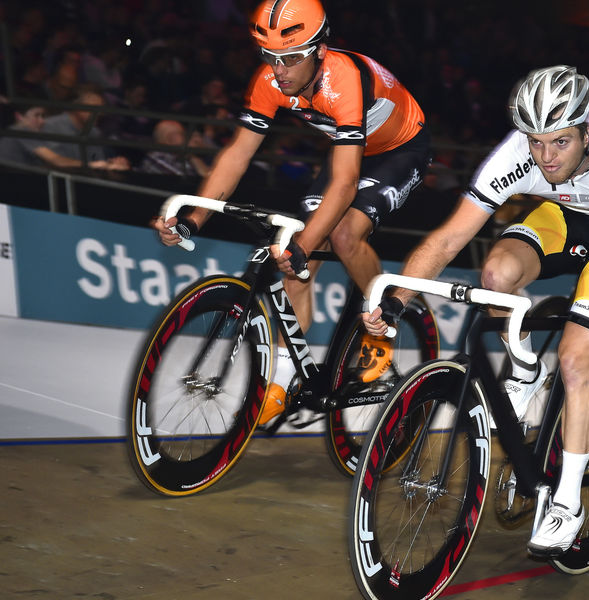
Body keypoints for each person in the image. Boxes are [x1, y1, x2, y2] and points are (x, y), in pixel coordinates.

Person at [363, 65, 589, 557]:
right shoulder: (516, 157)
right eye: (536, 142)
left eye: (560, 142)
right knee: (496, 276)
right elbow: (451, 237)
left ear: (586, 131)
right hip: (563, 216)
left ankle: (567, 502)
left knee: (576, 359)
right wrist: (397, 299)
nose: (546, 156)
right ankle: (524, 368)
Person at [152, 0, 432, 427]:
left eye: (291, 58)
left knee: (341, 237)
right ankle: (283, 379)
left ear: (320, 49)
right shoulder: (270, 79)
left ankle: (380, 333)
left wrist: (303, 245)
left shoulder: (344, 79)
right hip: (348, 148)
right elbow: (237, 154)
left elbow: (345, 183)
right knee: (290, 264)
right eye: (269, 57)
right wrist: (193, 217)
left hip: (399, 150)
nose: (279, 70)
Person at [0, 100, 126, 171]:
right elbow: (56, 161)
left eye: (43, 116)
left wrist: (107, 163)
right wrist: (95, 165)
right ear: (19, 116)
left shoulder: (27, 133)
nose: (42, 121)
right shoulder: (21, 131)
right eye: (36, 115)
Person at [39, 84, 131, 170]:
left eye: (100, 108)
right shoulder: (51, 126)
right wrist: (97, 165)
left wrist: (111, 164)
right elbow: (55, 163)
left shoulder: (94, 131)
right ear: (75, 105)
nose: (99, 113)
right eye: (93, 108)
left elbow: (97, 163)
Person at [138, 119, 211, 177]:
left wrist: (192, 156)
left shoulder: (181, 157)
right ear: (169, 139)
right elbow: (190, 181)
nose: (186, 138)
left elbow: (206, 174)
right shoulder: (156, 158)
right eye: (181, 134)